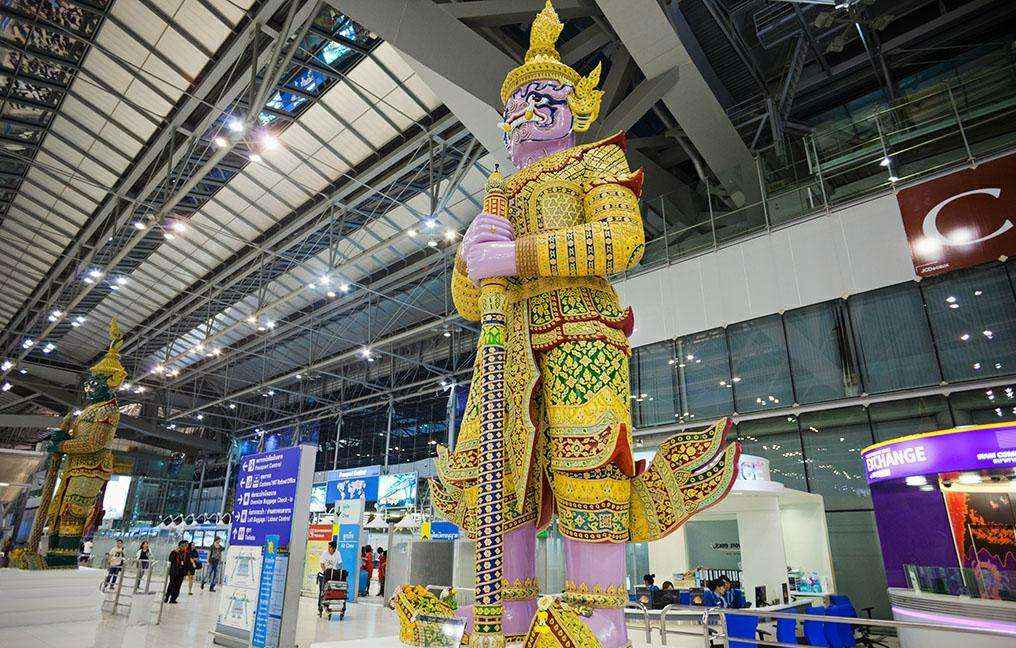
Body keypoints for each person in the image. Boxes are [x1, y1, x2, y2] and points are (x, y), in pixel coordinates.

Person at [428, 4, 740, 646]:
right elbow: (468, 301)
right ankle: (506, 613)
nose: (527, 109)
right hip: (506, 343)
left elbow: (623, 240)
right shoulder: (497, 195)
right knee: (499, 478)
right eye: (516, 102)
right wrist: (468, 260)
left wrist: (518, 256)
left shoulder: (595, 164)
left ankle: (598, 619)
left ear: (575, 111)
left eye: (544, 97)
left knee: (586, 466)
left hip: (580, 335)